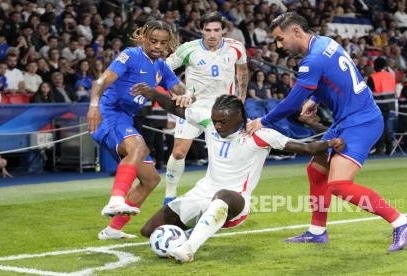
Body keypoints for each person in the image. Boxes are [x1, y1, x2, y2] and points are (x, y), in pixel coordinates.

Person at [246, 12, 407, 252]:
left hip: (361, 122)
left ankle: (402, 222)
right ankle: (317, 231)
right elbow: (336, 76)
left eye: (279, 39)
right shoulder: (326, 43)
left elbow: (294, 100)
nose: (278, 45)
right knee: (316, 171)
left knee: (338, 185)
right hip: (348, 119)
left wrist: (263, 121)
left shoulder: (311, 59)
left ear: (295, 32)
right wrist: (315, 98)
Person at [131, 89, 344, 262]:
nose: (217, 125)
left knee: (223, 195)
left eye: (223, 121)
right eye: (215, 120)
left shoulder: (260, 135)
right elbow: (175, 108)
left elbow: (305, 148)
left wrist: (330, 143)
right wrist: (153, 93)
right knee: (149, 230)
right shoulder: (208, 121)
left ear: (239, 117)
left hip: (235, 202)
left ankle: (188, 249)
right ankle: (184, 237)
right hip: (201, 193)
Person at [86, 20, 192, 240]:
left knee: (151, 180)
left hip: (125, 119)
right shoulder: (131, 55)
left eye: (163, 43)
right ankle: (116, 199)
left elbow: (181, 91)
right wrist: (94, 107)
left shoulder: (161, 66)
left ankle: (112, 230)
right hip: (109, 114)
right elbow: (100, 82)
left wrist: (186, 95)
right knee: (139, 147)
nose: (157, 46)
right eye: (153, 41)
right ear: (143, 37)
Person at [163, 12, 249, 205]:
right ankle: (169, 196)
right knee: (178, 152)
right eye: (208, 30)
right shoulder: (188, 49)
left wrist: (241, 98)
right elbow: (163, 69)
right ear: (201, 30)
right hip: (193, 108)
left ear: (224, 30)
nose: (212, 34)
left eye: (216, 30)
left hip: (222, 110)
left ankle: (225, 196)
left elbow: (242, 72)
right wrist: (176, 91)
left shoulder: (235, 48)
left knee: (221, 157)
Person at [367, 57, 396, 155]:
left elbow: (368, 94)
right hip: (390, 105)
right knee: (385, 126)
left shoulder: (373, 77)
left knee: (379, 127)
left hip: (378, 106)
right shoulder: (390, 76)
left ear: (375, 66)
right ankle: (389, 147)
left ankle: (380, 148)